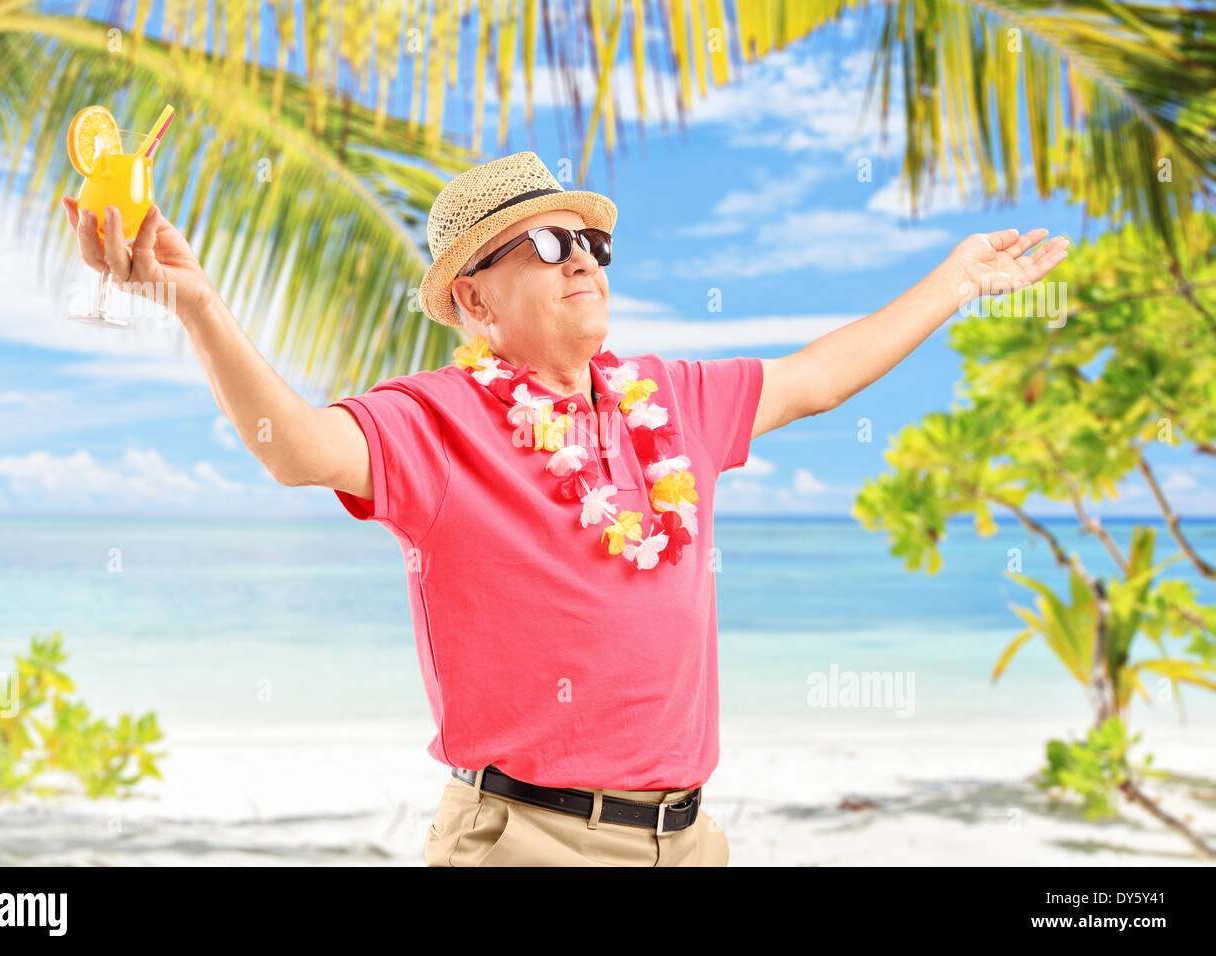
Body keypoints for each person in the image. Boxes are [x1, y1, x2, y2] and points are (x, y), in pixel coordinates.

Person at [61, 150, 1069, 867]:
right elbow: (297, 450)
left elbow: (818, 377)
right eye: (544, 242)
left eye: (588, 238)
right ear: (474, 301)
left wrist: (957, 280)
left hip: (688, 838)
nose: (582, 254)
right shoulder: (433, 420)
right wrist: (196, 303)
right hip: (528, 843)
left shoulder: (669, 402)